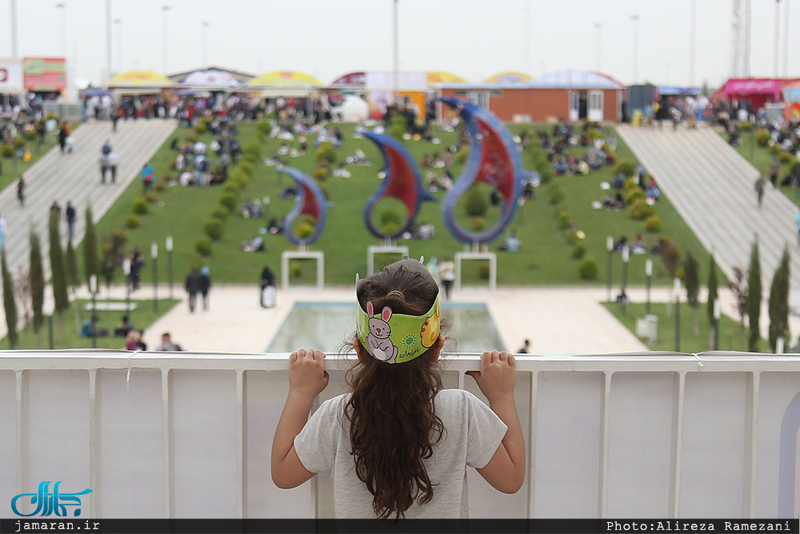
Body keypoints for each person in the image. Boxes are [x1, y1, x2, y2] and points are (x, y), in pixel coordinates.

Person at [270, 259, 525, 518]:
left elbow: (283, 473)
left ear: (358, 349)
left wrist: (301, 391)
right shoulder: (462, 410)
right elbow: (511, 479)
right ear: (437, 348)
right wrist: (502, 395)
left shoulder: (338, 416)